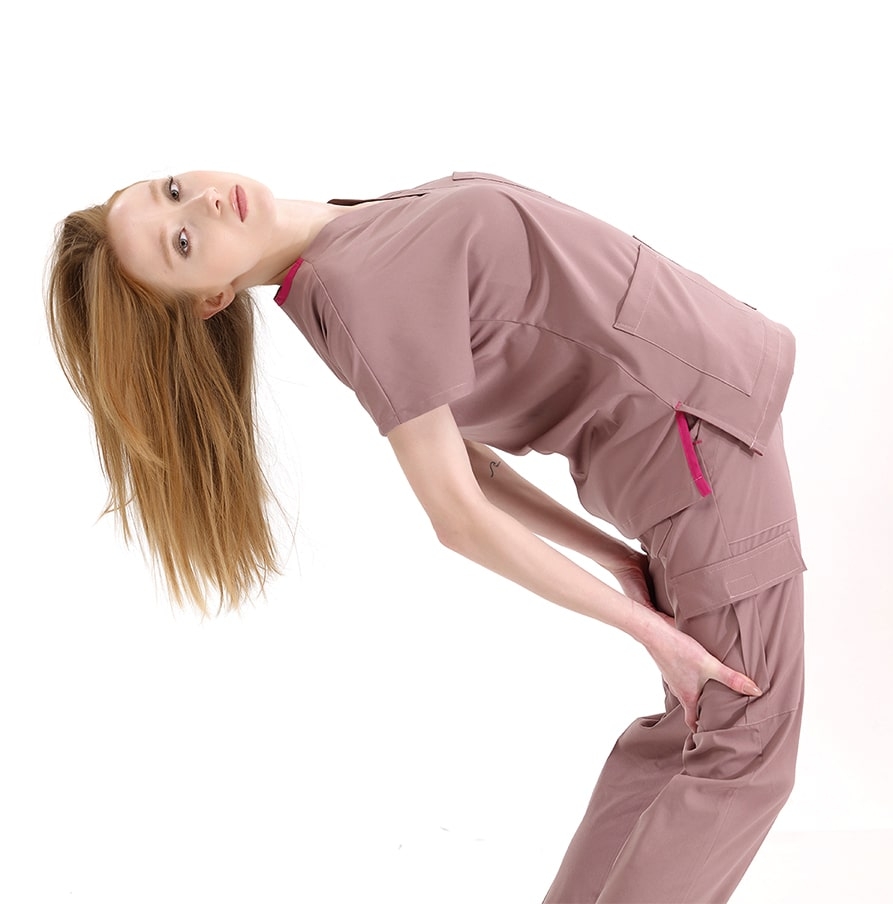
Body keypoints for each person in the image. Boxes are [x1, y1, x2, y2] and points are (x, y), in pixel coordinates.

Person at [46, 169, 806, 903]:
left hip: (699, 426)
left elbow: (467, 468)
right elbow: (457, 514)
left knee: (695, 744)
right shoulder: (355, 287)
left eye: (172, 190)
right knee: (740, 750)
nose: (204, 203)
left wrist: (615, 560)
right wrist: (649, 630)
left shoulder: (339, 244)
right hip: (701, 445)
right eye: (182, 243)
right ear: (211, 299)